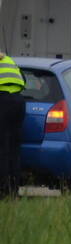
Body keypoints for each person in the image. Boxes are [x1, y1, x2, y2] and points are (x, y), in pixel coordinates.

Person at [0, 50, 26, 199]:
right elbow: (24, 80)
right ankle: (13, 190)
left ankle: (3, 191)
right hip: (18, 102)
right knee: (14, 149)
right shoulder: (9, 60)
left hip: (3, 102)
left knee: (2, 148)